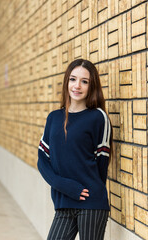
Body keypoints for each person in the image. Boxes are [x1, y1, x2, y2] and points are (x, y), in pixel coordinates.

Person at [37, 59, 113, 240]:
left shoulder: (98, 117)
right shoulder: (54, 118)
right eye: (73, 79)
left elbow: (102, 163)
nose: (77, 86)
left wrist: (92, 191)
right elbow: (42, 160)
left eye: (84, 81)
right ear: (67, 82)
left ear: (91, 86)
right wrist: (64, 185)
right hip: (63, 201)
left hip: (91, 202)